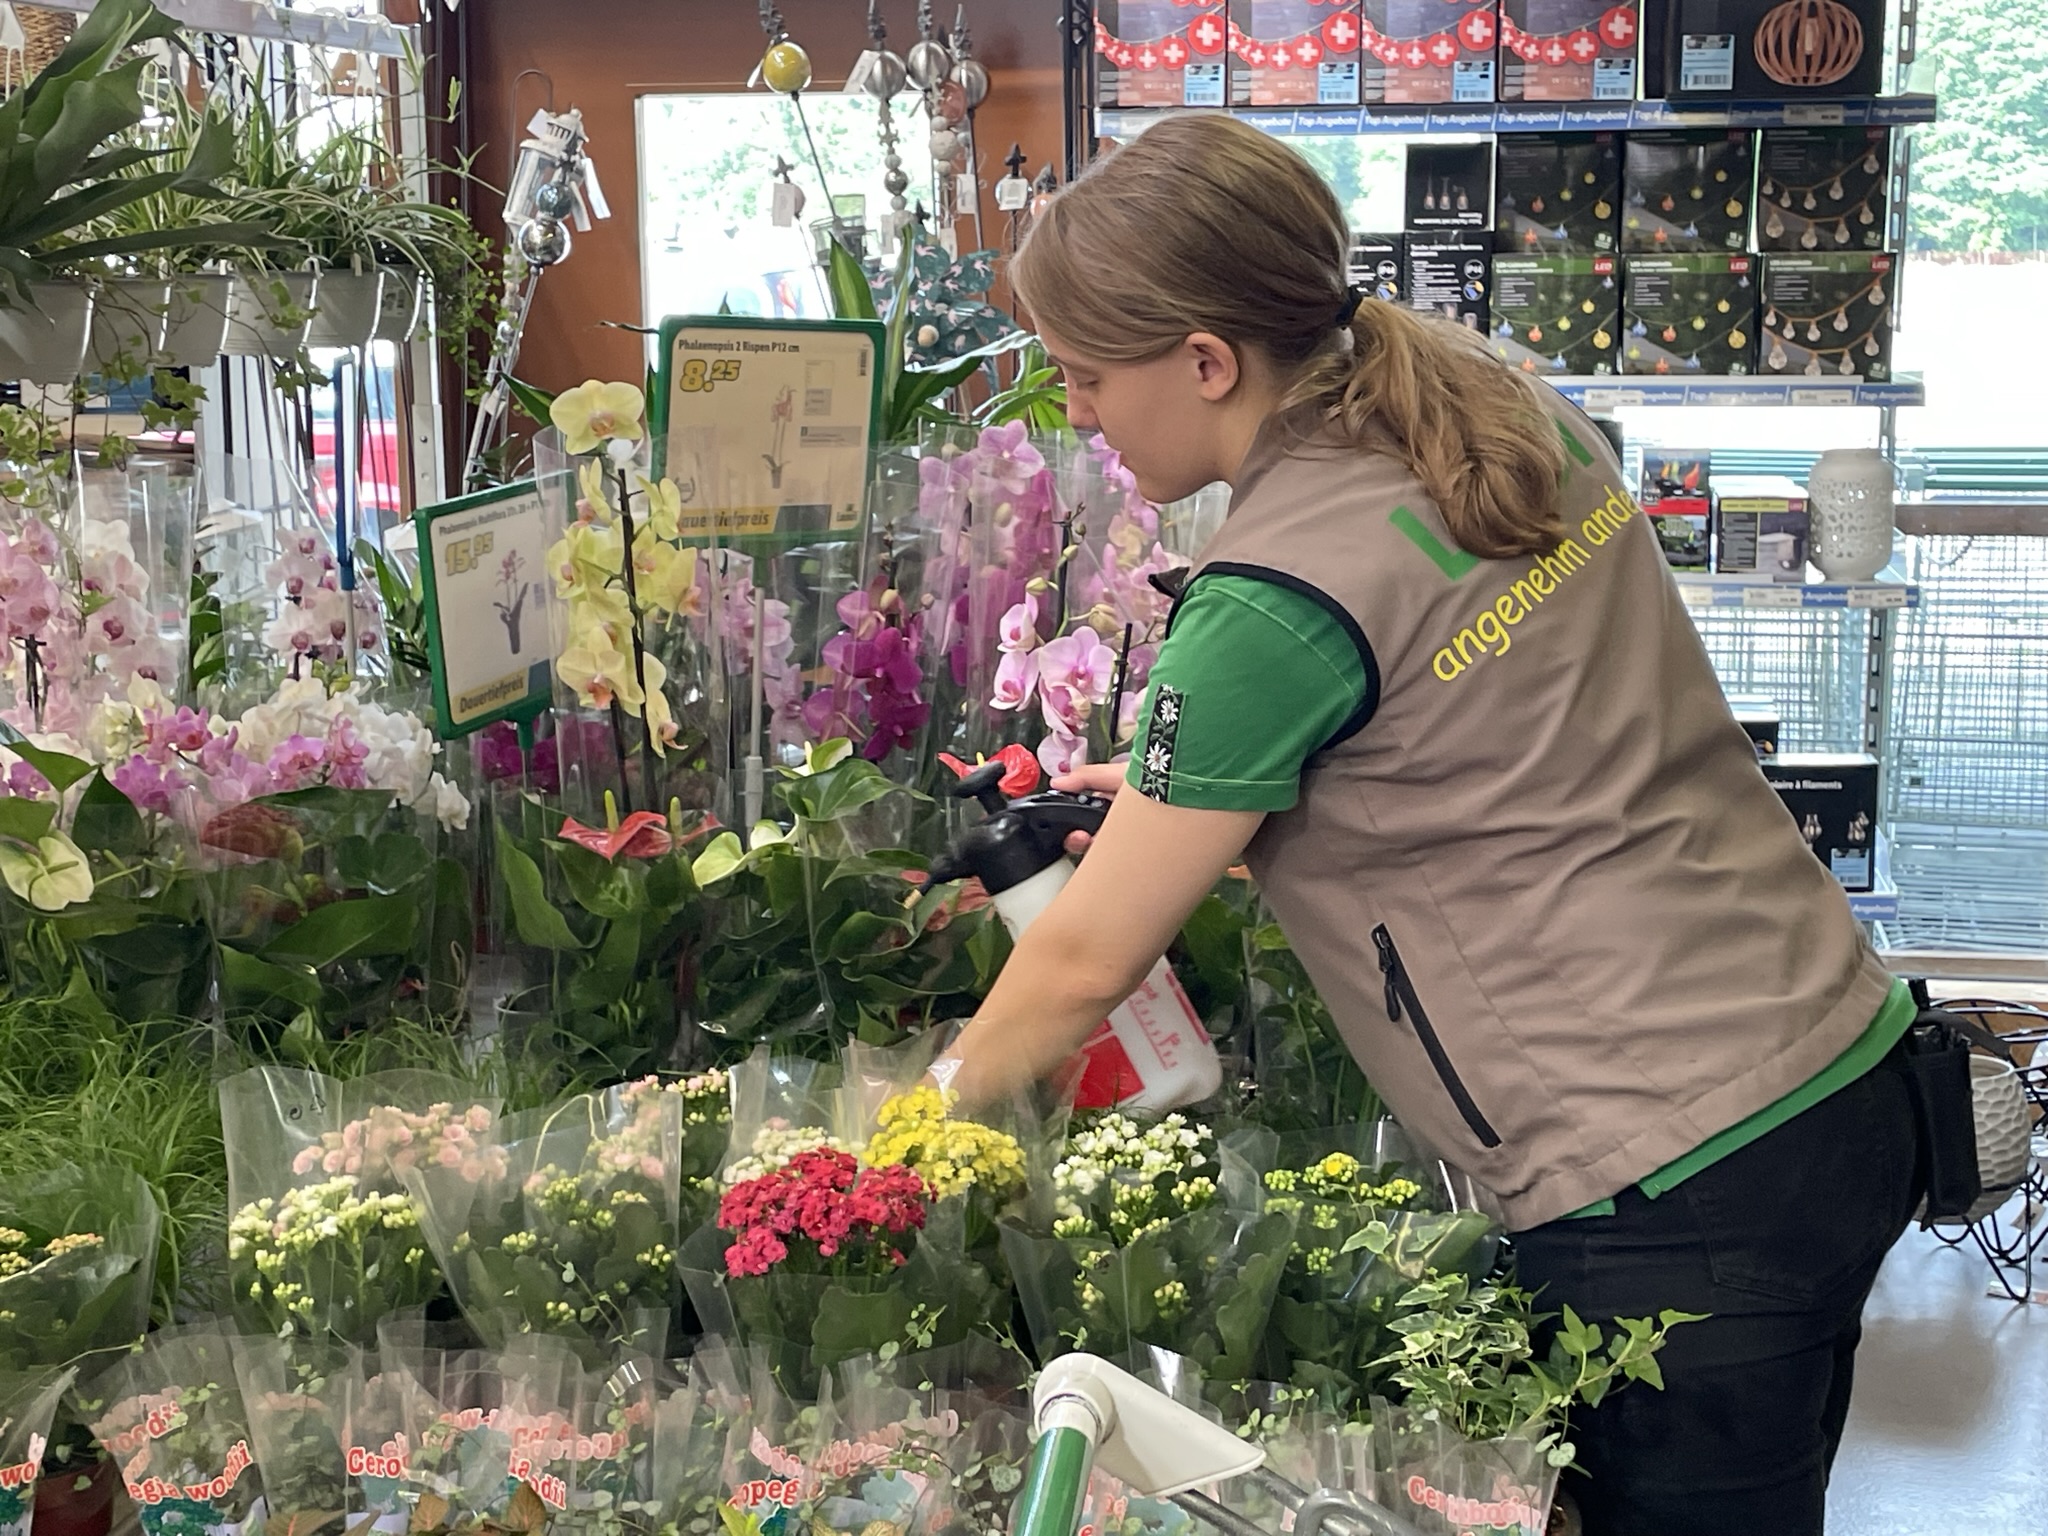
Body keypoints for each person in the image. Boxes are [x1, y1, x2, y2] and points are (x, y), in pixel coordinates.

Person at [929, 115, 1923, 1536]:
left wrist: (909, 1153)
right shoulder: (1488, 410)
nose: (1081, 413)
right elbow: (1486, 731)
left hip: (1666, 1170)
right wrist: (1190, 809)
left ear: (1207, 362)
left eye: (1088, 375)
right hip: (1827, 1065)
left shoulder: (1273, 589)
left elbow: (1080, 968)